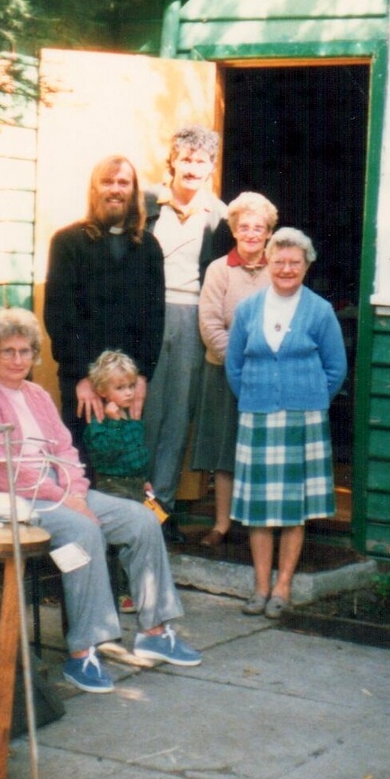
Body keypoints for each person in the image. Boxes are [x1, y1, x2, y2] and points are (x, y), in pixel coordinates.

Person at [0, 308, 200, 695]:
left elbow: (66, 449)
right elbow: (7, 472)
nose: (18, 360)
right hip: (9, 501)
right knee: (83, 532)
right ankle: (82, 651)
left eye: (25, 351)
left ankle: (154, 631)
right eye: (8, 351)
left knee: (142, 520)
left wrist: (78, 491)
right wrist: (67, 498)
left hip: (59, 492)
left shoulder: (36, 394)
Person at [226, 228, 347, 619]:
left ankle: (283, 587)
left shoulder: (319, 310)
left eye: (295, 262)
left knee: (293, 509)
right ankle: (260, 588)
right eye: (279, 261)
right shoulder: (247, 309)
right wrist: (257, 396)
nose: (286, 269)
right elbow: (234, 367)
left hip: (303, 419)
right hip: (258, 416)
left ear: (307, 266)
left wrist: (309, 399)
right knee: (259, 511)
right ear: (267, 264)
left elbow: (336, 368)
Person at [44, 154, 164, 461]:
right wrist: (82, 377)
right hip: (82, 379)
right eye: (107, 182)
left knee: (124, 462)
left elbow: (154, 317)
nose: (115, 189)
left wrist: (141, 377)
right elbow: (59, 317)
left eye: (123, 183)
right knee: (83, 461)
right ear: (94, 189)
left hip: (128, 384)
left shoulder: (148, 248)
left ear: (133, 191)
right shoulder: (67, 242)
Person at [143, 125, 232, 536]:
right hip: (149, 313)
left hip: (193, 315)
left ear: (211, 167)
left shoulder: (221, 214)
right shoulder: (144, 205)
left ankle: (161, 509)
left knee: (178, 415)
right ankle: (132, 505)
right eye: (187, 159)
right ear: (172, 162)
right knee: (144, 410)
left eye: (202, 161)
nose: (193, 168)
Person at [191, 191, 279, 548]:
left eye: (259, 227)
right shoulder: (218, 269)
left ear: (270, 232)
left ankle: (260, 524)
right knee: (226, 452)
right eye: (244, 227)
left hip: (269, 376)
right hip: (225, 372)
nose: (252, 233)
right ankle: (222, 525)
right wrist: (239, 365)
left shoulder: (280, 268)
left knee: (264, 450)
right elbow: (210, 323)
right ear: (234, 230)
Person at [83, 350, 152, 502]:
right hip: (113, 487)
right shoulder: (99, 423)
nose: (128, 393)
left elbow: (139, 454)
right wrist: (114, 423)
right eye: (120, 388)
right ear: (102, 391)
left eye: (131, 386)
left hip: (136, 485)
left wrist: (144, 480)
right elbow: (106, 454)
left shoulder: (133, 418)